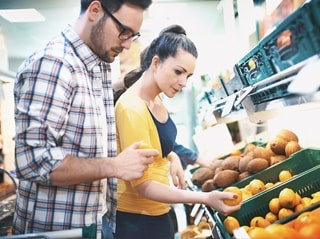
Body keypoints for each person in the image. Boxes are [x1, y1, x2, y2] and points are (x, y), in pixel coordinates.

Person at [13, 0, 159, 238]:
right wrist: (115, 165)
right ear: (95, 10)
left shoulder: (96, 63)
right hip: (59, 231)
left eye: (134, 35)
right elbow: (33, 160)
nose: (128, 44)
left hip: (96, 224)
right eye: (124, 32)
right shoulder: (54, 64)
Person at [114, 25, 242, 239]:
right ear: (156, 63)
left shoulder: (155, 97)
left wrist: (170, 155)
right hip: (138, 221)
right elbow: (143, 185)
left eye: (188, 76)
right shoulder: (131, 108)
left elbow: (153, 141)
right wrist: (205, 198)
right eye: (178, 72)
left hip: (158, 212)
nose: (183, 82)